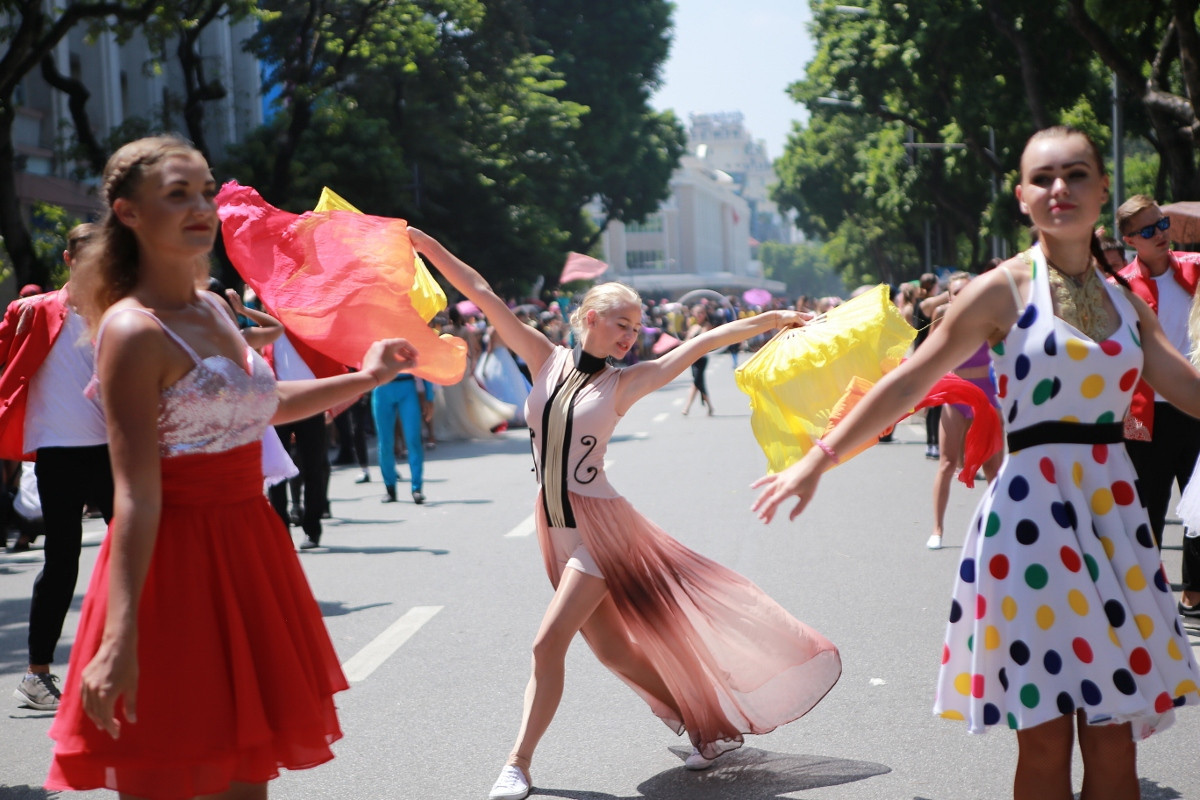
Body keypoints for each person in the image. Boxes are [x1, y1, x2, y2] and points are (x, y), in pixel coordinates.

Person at [752, 126, 1200, 800]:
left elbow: (1188, 390)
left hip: (1115, 520)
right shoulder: (1001, 290)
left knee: (1114, 738)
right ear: (1022, 197)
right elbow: (908, 382)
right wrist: (818, 458)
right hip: (1033, 525)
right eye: (1044, 178)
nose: (1061, 189)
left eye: (1077, 175)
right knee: (1046, 738)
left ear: (1101, 190)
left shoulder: (1126, 303)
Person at [407, 228, 841, 800]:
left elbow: (702, 344)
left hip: (602, 531)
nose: (630, 336)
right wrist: (420, 242)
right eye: (621, 324)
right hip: (554, 526)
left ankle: (518, 763)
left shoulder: (628, 381)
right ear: (588, 317)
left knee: (546, 645)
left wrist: (770, 320)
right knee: (611, 649)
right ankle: (708, 728)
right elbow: (481, 290)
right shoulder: (542, 356)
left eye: (636, 328)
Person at [45, 135, 417, 799]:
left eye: (206, 191)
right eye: (178, 194)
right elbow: (134, 498)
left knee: (248, 778)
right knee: (172, 773)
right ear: (128, 213)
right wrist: (119, 636)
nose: (202, 208)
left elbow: (261, 403)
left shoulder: (213, 308)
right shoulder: (131, 332)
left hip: (251, 549)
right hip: (174, 567)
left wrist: (365, 377)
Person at [0, 222, 115, 713]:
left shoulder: (123, 314)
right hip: (58, 453)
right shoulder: (31, 310)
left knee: (145, 551)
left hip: (114, 450)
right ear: (68, 261)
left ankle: (153, 656)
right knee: (62, 560)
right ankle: (37, 673)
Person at [1114, 196, 1200, 620]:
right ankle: (1142, 601)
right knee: (1148, 509)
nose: (1160, 234)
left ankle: (1193, 595)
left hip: (1196, 408)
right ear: (1130, 240)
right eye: (1148, 231)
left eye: (1162, 224)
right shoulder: (1121, 286)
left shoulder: (1195, 269)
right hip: (1146, 413)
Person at [926, 272, 1003, 550]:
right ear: (949, 296)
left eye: (967, 291)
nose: (962, 296)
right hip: (957, 397)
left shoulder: (991, 321)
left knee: (993, 466)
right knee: (947, 464)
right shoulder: (945, 322)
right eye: (956, 292)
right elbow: (928, 357)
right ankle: (937, 529)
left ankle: (1002, 527)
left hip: (987, 398)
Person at [372, 371, 434, 504]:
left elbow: (425, 363)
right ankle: (390, 488)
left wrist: (429, 396)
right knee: (385, 443)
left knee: (413, 440)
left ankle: (416, 488)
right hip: (382, 388)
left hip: (407, 387)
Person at [912, 272, 950, 459]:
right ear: (932, 286)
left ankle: (934, 443)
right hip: (925, 357)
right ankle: (932, 443)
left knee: (936, 403)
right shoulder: (925, 303)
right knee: (934, 404)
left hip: (928, 356)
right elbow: (946, 295)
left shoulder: (924, 302)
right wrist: (952, 286)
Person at [680, 303, 714, 415]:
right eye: (697, 313)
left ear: (705, 314)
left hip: (702, 358)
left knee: (696, 382)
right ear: (694, 314)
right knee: (698, 383)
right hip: (693, 358)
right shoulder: (693, 327)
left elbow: (702, 340)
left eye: (702, 313)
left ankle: (687, 407)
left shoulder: (707, 325)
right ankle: (709, 406)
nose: (699, 315)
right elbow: (687, 341)